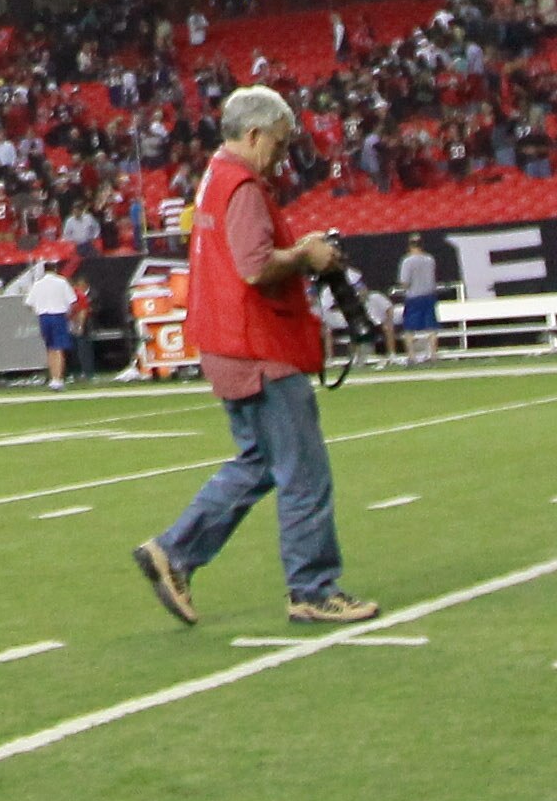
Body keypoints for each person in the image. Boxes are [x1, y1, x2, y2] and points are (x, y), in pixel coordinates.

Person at [134, 85, 380, 630]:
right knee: (303, 473)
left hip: (227, 344)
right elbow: (254, 266)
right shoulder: (242, 184)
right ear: (253, 134)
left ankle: (175, 552)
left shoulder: (215, 178)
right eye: (280, 142)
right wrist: (307, 255)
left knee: (260, 463)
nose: (283, 155)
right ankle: (312, 588)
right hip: (259, 346)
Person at [26, 262, 79, 387]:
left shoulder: (38, 284)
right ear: (55, 269)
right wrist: (70, 314)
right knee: (58, 348)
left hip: (44, 316)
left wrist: (38, 309)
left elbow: (29, 303)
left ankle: (53, 377)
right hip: (58, 315)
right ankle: (58, 378)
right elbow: (72, 301)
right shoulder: (62, 282)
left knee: (50, 348)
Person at [393, 242, 440, 365]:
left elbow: (405, 282)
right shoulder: (430, 259)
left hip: (414, 297)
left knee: (409, 328)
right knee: (431, 326)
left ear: (410, 247)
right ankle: (433, 355)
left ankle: (412, 356)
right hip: (429, 296)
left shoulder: (407, 261)